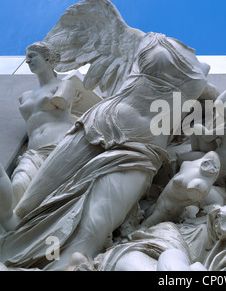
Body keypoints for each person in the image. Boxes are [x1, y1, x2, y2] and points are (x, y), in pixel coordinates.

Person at [0, 32, 209, 270]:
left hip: (143, 146)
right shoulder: (151, 39)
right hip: (100, 122)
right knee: (29, 205)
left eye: (32, 56)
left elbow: (206, 102)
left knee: (97, 224)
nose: (27, 60)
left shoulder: (203, 69)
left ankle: (59, 265)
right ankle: (17, 246)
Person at [11, 42, 77, 207]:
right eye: (26, 57)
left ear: (48, 58)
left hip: (59, 146)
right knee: (18, 186)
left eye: (32, 56)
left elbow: (61, 102)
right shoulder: (24, 96)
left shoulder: (64, 85)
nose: (27, 61)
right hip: (33, 152)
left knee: (59, 196)